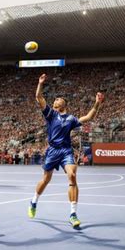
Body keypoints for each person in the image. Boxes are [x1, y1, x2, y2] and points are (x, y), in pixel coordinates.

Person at [28, 74, 103, 228]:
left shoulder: (70, 118)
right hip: (52, 151)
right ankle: (34, 201)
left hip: (66, 151)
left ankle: (73, 214)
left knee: (72, 176)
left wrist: (97, 103)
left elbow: (88, 117)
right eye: (55, 99)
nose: (56, 100)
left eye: (59, 99)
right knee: (46, 179)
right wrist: (40, 83)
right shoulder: (50, 114)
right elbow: (38, 96)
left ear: (64, 104)